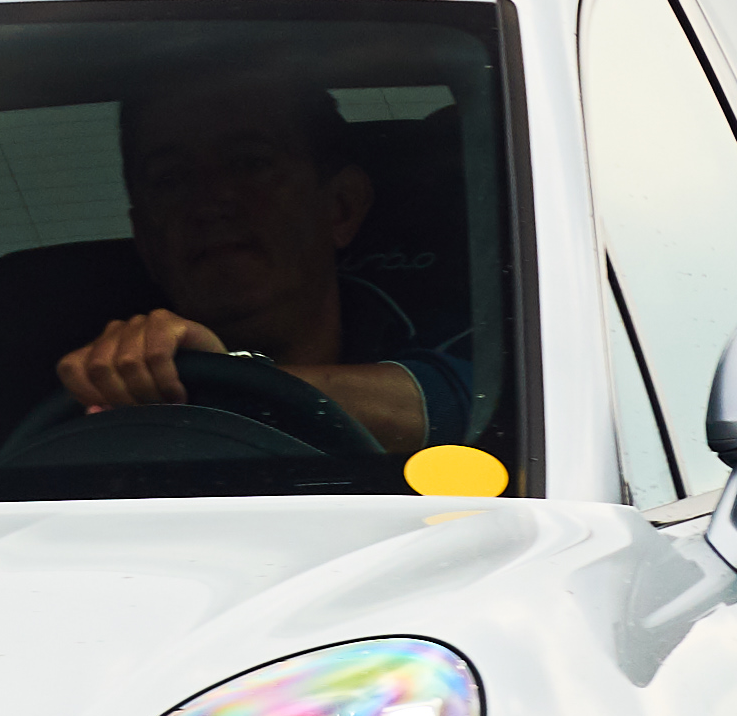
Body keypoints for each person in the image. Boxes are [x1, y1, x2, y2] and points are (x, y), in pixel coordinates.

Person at [44, 63, 475, 455]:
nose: (209, 202)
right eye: (172, 180)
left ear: (341, 206)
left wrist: (218, 382)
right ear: (146, 240)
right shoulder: (69, 390)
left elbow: (471, 410)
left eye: (249, 164)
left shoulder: (473, 338)